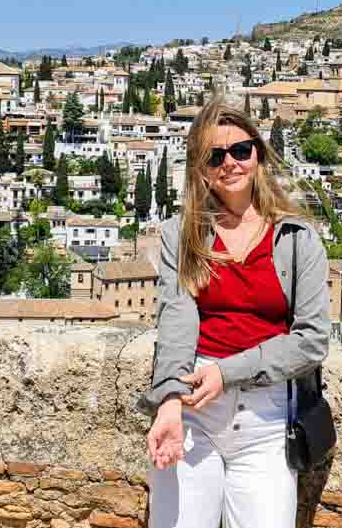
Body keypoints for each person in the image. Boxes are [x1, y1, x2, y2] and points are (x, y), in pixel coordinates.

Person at [139, 97, 331, 528]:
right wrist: (169, 401)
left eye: (240, 150)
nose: (230, 163)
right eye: (214, 156)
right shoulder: (181, 235)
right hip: (193, 409)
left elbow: (313, 339)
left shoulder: (298, 238)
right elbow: (176, 319)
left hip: (265, 418)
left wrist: (227, 373)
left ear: (258, 153)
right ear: (200, 168)